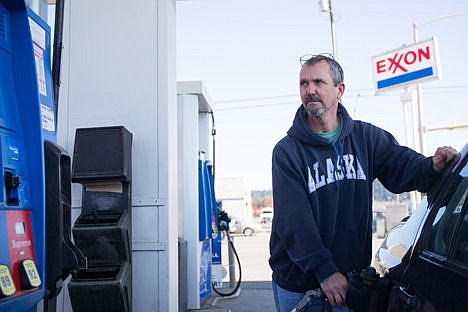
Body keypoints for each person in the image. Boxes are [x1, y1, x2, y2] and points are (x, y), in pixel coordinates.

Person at [269, 53, 460, 312]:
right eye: (304, 84)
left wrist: (432, 166)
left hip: (349, 284)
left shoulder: (366, 138)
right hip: (300, 286)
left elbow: (402, 167)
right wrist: (325, 272)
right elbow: (294, 222)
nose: (310, 90)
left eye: (318, 82)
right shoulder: (288, 151)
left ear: (340, 90)